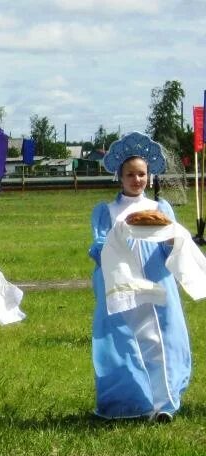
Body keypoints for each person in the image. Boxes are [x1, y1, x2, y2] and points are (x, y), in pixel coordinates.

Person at [90, 132, 195, 422]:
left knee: (160, 337)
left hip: (156, 278)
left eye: (142, 174)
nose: (137, 180)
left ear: (149, 176)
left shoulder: (160, 209)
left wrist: (174, 241)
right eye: (130, 175)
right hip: (122, 282)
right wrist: (118, 236)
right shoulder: (107, 212)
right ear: (119, 177)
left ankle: (164, 401)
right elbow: (99, 248)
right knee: (129, 338)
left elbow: (170, 242)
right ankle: (133, 400)